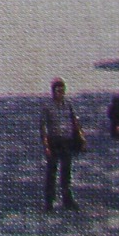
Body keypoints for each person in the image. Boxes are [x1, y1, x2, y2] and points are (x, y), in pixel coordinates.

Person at [40, 78, 82, 211]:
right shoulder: (47, 107)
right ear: (53, 92)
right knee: (52, 172)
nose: (61, 93)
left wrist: (81, 137)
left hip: (66, 141)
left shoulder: (68, 104)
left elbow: (75, 121)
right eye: (58, 91)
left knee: (66, 172)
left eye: (63, 91)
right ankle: (49, 201)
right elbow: (44, 128)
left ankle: (67, 199)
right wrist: (46, 146)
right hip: (54, 142)